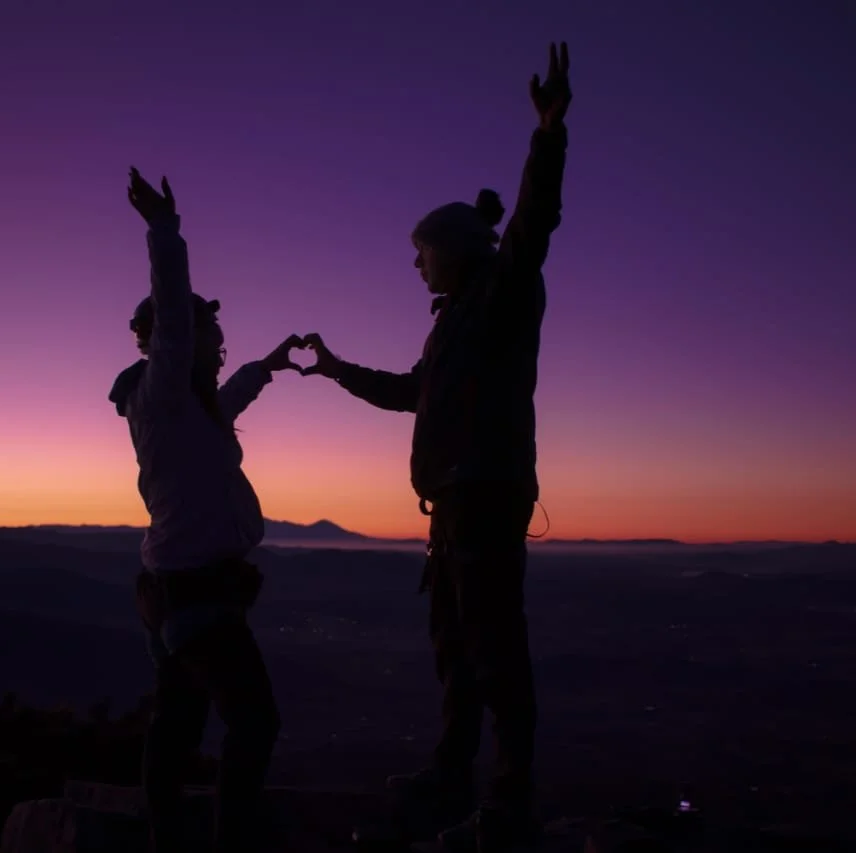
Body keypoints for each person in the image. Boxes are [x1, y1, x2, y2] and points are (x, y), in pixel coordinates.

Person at [300, 43, 573, 852]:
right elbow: (409, 392)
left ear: (452, 249)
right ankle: (455, 772)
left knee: (492, 647)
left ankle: (510, 793)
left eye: (422, 251)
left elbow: (533, 224)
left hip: (484, 494)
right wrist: (335, 369)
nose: (414, 264)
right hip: (456, 501)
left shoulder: (504, 291)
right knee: (458, 648)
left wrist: (548, 132)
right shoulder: (455, 317)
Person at [107, 167, 305, 853]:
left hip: (180, 590)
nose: (219, 343)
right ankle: (232, 838)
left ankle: (167, 833)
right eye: (209, 333)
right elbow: (171, 325)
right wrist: (165, 230)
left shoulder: (190, 407)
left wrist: (269, 364)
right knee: (254, 721)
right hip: (194, 594)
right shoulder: (162, 394)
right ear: (177, 339)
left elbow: (233, 399)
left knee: (180, 719)